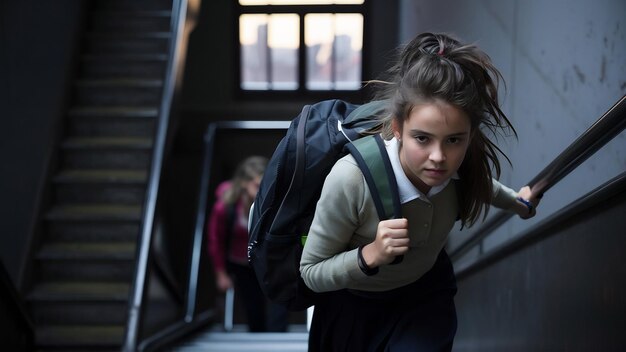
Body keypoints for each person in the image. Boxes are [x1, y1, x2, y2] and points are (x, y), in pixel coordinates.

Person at [299, 32, 542, 351]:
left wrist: (518, 202)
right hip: (352, 310)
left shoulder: (461, 166)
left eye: (454, 139)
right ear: (397, 128)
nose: (439, 157)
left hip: (425, 299)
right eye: (422, 138)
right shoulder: (351, 179)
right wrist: (369, 254)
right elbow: (311, 272)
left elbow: (482, 186)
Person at [207, 156, 288, 332]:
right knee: (253, 306)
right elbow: (216, 240)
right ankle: (257, 338)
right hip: (241, 263)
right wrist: (221, 273)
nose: (262, 191)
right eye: (257, 186)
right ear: (244, 183)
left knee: (279, 300)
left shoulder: (272, 203)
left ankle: (277, 340)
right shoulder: (225, 208)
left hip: (269, 261)